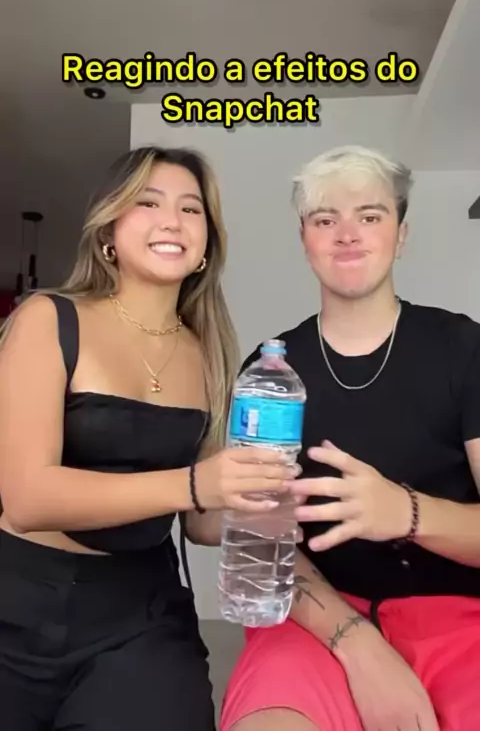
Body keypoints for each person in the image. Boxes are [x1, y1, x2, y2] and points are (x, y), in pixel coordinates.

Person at [0, 145, 297, 731]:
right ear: (109, 228)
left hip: (140, 610)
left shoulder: (210, 352)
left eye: (191, 209)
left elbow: (201, 523)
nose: (172, 221)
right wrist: (196, 483)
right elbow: (27, 498)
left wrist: (268, 504)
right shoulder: (48, 318)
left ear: (206, 245)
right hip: (18, 597)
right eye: (148, 202)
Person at [219, 146, 480, 731]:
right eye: (324, 218)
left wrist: (406, 512)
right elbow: (260, 537)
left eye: (369, 215)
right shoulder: (271, 374)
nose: (347, 234)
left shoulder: (464, 349)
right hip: (319, 618)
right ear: (304, 239)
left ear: (401, 234)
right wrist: (356, 642)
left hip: (460, 618)